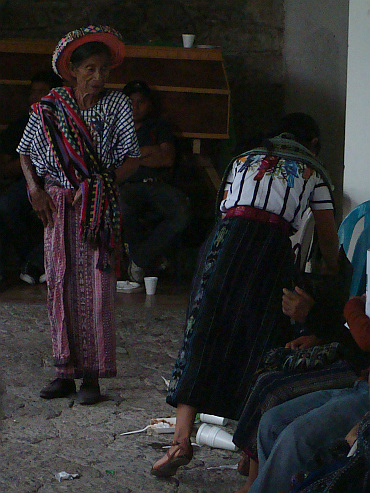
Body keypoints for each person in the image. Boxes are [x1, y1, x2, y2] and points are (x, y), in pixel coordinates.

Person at [151, 112, 339, 477]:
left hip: (222, 243)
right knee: (262, 341)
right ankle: (249, 453)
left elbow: (226, 206)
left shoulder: (243, 158)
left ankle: (180, 441)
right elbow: (329, 243)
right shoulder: (313, 171)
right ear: (312, 144)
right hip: (269, 250)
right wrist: (333, 281)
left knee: (201, 333)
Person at [17, 25, 141, 405]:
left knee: (96, 288)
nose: (98, 77)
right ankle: (63, 372)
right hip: (55, 204)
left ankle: (92, 378)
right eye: (89, 68)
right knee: (59, 281)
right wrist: (34, 189)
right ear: (72, 69)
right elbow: (25, 151)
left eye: (104, 69)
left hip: (95, 207)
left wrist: (97, 187)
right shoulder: (51, 105)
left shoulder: (116, 105)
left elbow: (132, 159)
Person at [233, 269, 369, 492]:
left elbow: (365, 337)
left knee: (296, 437)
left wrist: (349, 309)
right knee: (271, 423)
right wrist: (321, 331)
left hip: (361, 385)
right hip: (361, 378)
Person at [119, 80, 190, 282]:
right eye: (130, 102)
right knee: (122, 209)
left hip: (155, 184)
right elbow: (114, 162)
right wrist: (150, 152)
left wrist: (135, 156)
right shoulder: (116, 127)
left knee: (182, 210)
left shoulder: (159, 126)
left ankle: (140, 260)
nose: (135, 107)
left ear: (149, 104)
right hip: (126, 185)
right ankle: (139, 261)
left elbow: (166, 158)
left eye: (140, 102)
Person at [0, 71, 62, 288]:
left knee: (60, 205)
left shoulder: (62, 120)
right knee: (6, 205)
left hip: (58, 181)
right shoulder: (20, 125)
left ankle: (38, 263)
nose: (35, 96)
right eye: (32, 92)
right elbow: (7, 165)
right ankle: (35, 260)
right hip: (26, 181)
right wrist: (30, 162)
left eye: (41, 92)